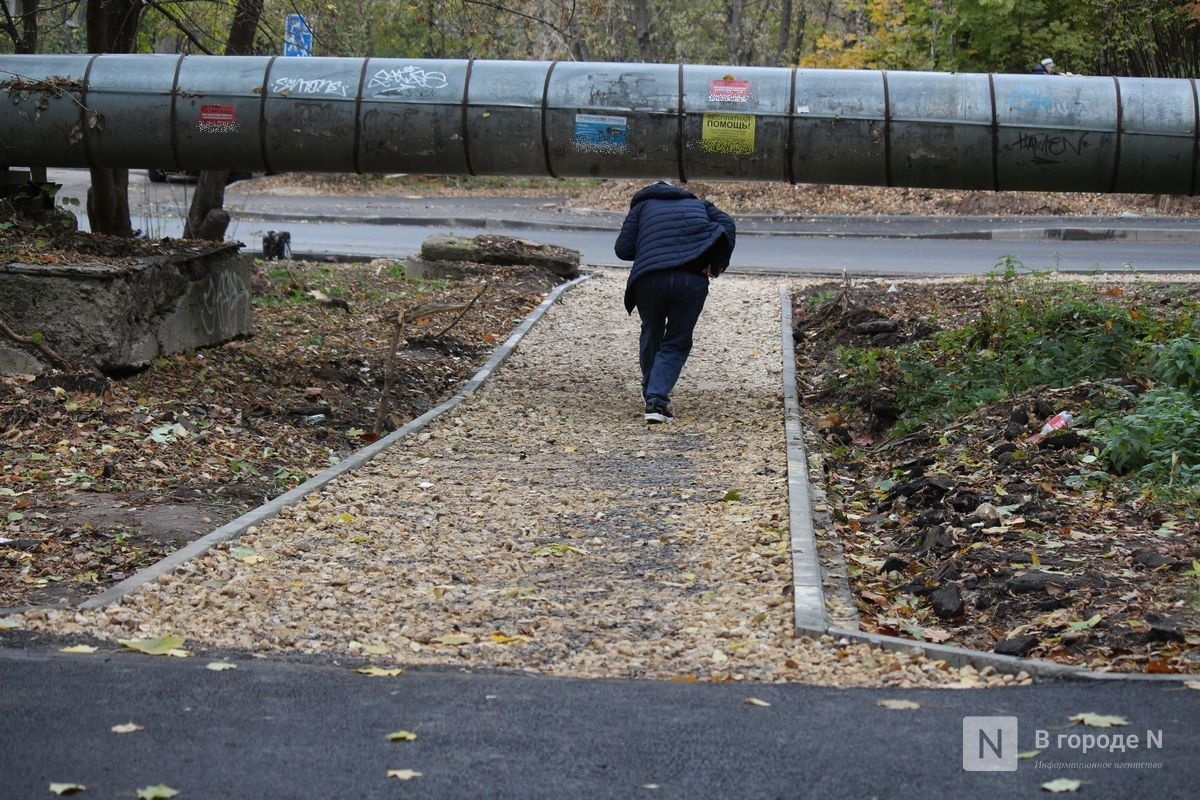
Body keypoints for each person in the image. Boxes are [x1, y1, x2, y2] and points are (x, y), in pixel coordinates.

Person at [615, 180, 736, 424]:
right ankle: (656, 399)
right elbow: (727, 224)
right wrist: (715, 263)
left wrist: (650, 243)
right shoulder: (699, 205)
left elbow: (623, 249)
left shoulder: (641, 207)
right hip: (691, 280)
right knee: (677, 341)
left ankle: (652, 395)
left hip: (649, 279)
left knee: (651, 331)